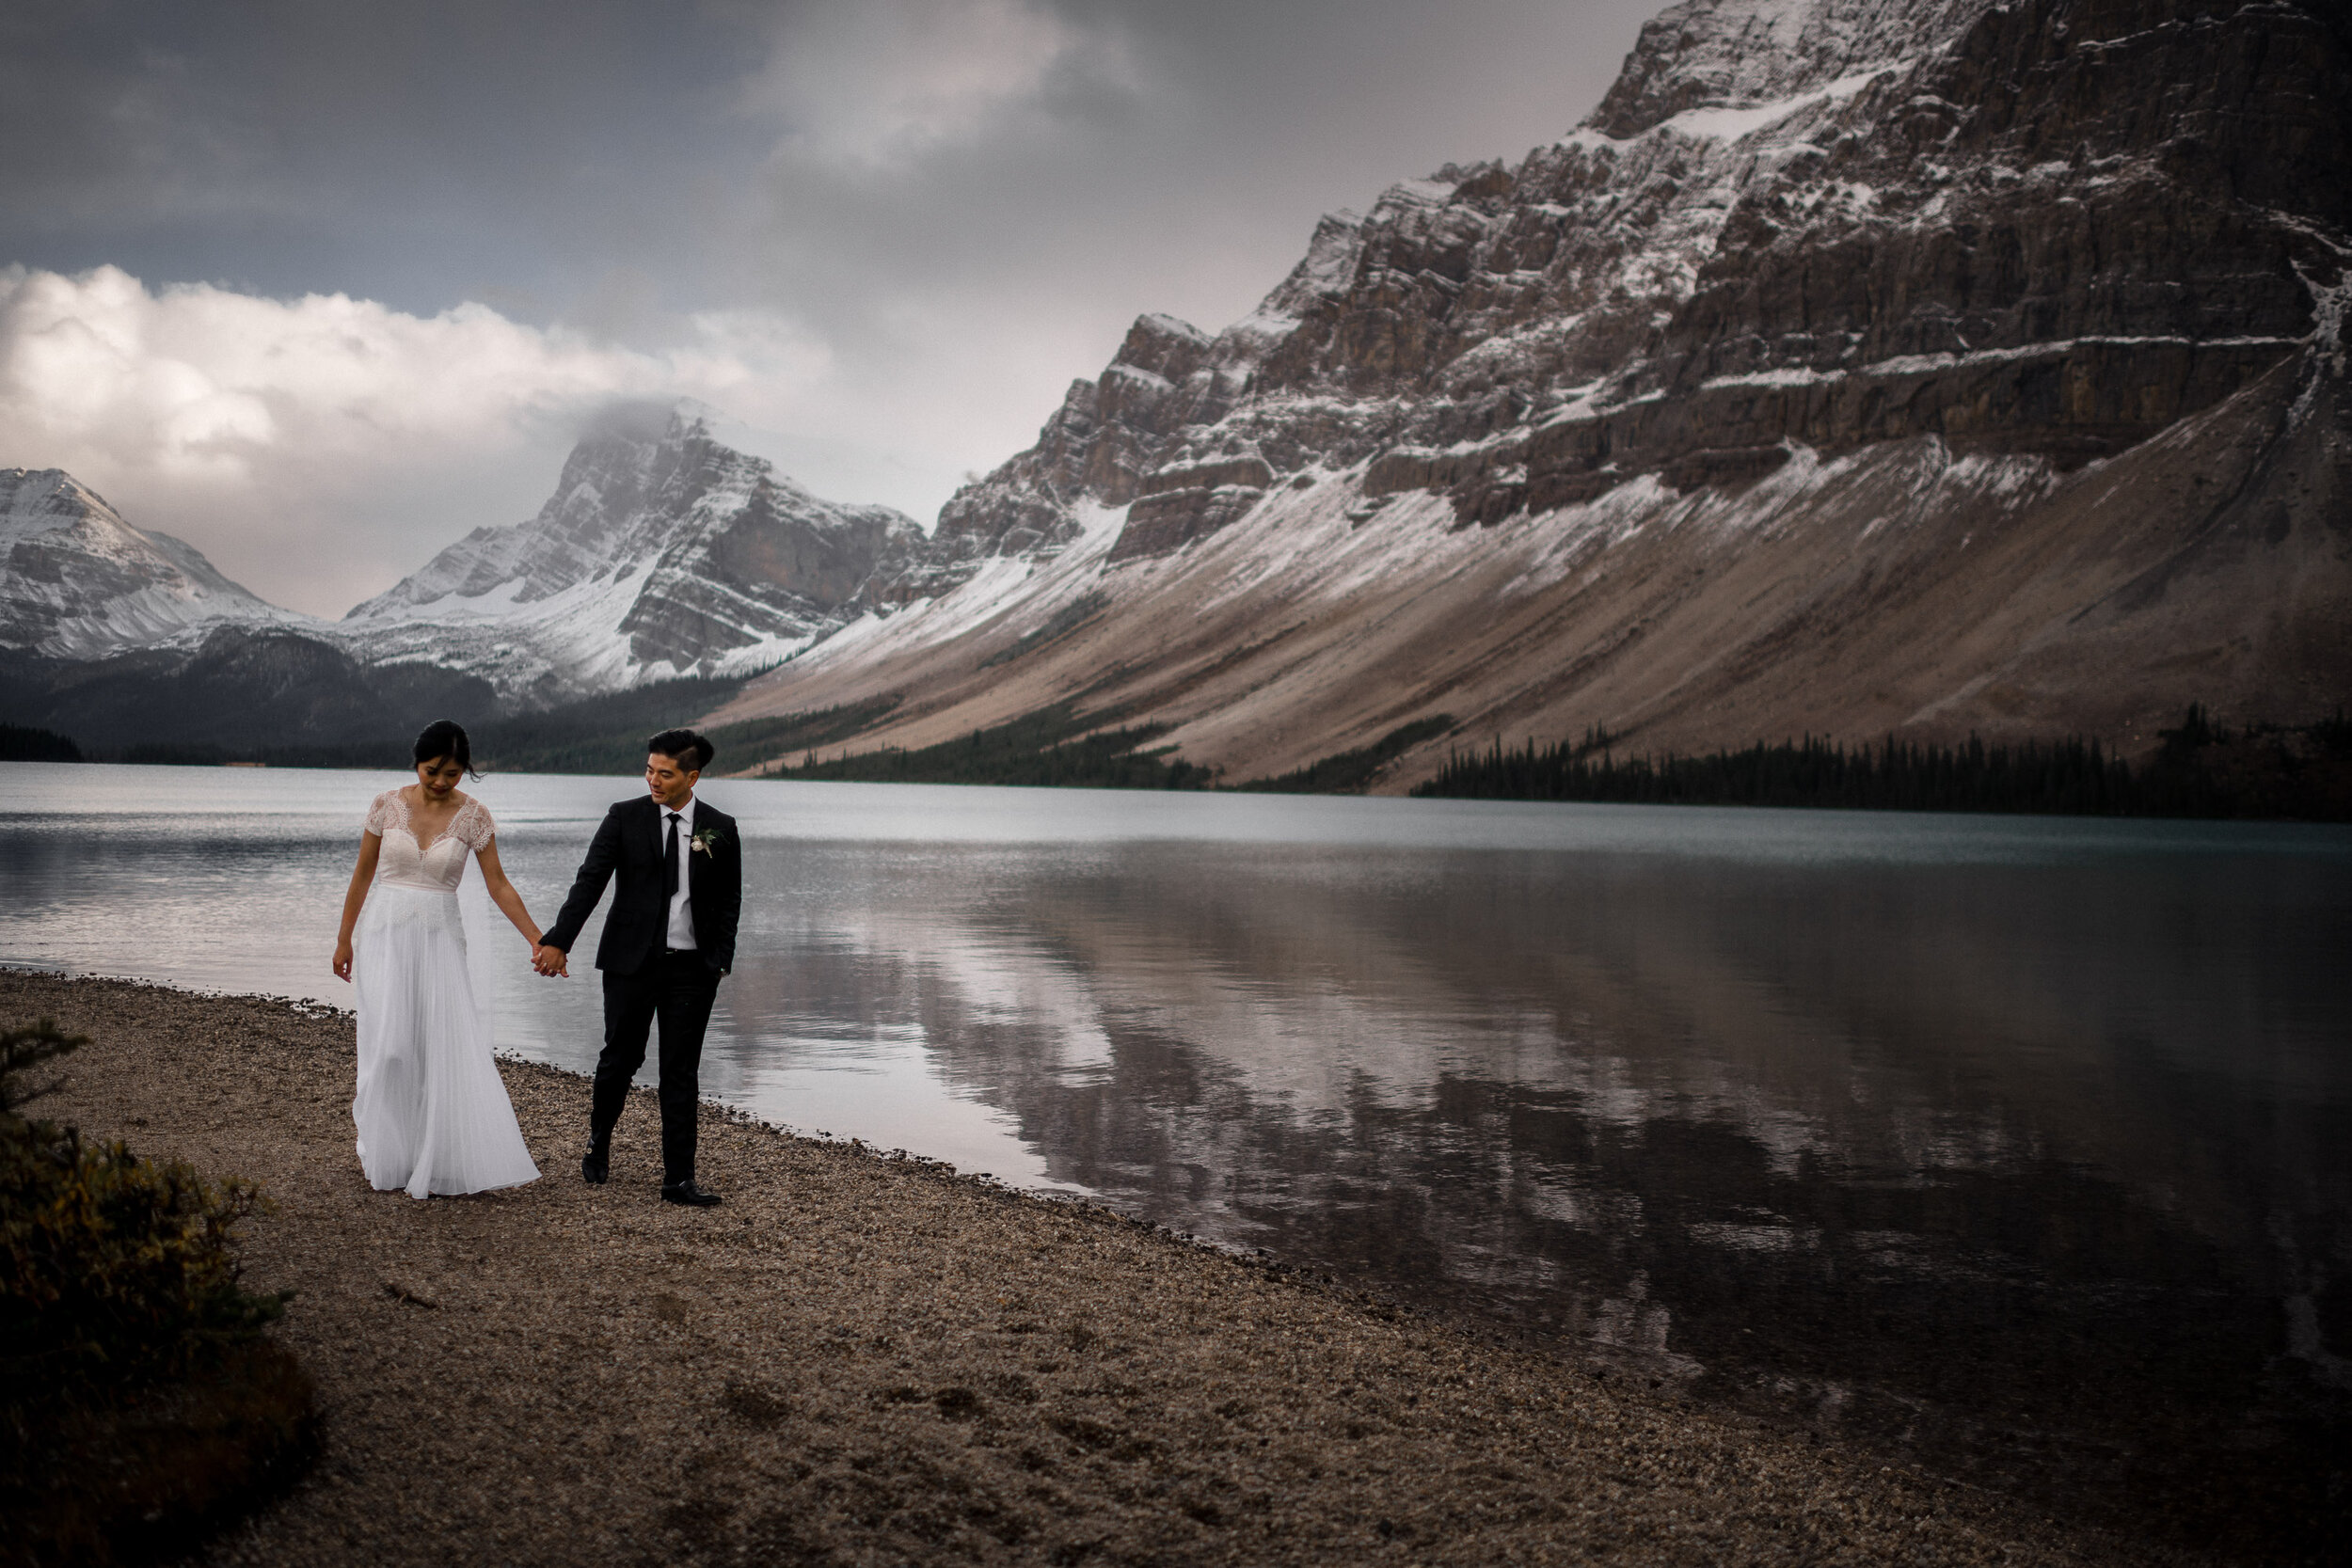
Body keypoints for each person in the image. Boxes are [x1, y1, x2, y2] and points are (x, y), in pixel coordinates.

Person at [331, 720, 543, 1198]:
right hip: (385, 936)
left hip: (440, 942)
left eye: (453, 773)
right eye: (433, 771)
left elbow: (498, 885)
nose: (442, 782)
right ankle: (389, 1151)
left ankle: (435, 1155)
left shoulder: (474, 817)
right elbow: (362, 875)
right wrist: (344, 940)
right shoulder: (386, 804)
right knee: (389, 1047)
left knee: (435, 1049)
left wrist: (536, 937)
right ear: (417, 761)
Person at [532, 729, 741, 1207]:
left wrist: (720, 961)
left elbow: (730, 897)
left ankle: (678, 1179)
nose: (653, 780)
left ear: (692, 776)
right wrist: (558, 941)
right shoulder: (623, 818)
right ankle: (599, 1140)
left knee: (681, 1071)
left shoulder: (720, 827)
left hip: (693, 970)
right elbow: (589, 882)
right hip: (630, 963)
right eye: (649, 769)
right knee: (620, 1059)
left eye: (664, 774)